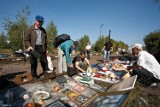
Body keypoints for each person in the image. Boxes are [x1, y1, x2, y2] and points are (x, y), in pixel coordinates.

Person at [24, 15, 50, 79]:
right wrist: (29, 46)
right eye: (39, 22)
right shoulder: (30, 29)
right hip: (33, 48)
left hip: (42, 47)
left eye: (42, 22)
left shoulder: (43, 30)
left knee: (44, 62)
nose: (40, 23)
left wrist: (46, 49)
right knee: (33, 63)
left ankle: (46, 73)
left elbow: (46, 40)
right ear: (35, 21)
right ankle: (34, 75)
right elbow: (26, 40)